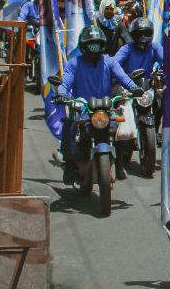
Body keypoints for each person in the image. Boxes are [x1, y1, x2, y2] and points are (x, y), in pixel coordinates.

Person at [56, 24, 141, 184]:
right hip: (83, 109)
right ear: (83, 45)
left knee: (122, 130)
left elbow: (123, 78)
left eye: (97, 45)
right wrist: (61, 93)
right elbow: (65, 82)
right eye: (90, 45)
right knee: (69, 126)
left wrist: (135, 88)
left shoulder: (109, 62)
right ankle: (69, 165)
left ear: (103, 45)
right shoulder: (74, 63)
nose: (94, 49)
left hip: (106, 109)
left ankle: (120, 163)